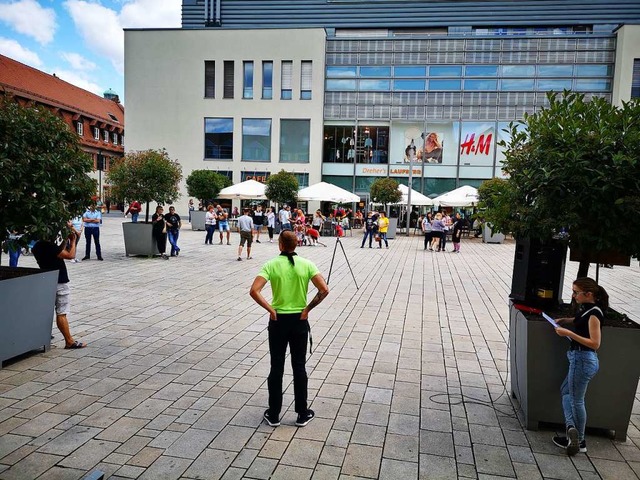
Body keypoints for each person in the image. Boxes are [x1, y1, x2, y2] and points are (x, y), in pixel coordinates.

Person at [250, 230, 329, 428]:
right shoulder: (307, 264)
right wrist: (307, 309)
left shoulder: (271, 264)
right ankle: (302, 413)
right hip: (299, 320)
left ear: (280, 245)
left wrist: (271, 309)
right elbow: (324, 289)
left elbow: (254, 291)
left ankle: (274, 413)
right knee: (299, 366)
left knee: (276, 367)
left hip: (278, 320)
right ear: (297, 244)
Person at [551, 278, 608, 456]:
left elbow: (595, 343)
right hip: (582, 359)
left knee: (576, 399)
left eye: (576, 292)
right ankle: (571, 430)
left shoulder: (593, 314)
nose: (573, 295)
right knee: (566, 391)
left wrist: (567, 333)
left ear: (588, 294)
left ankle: (580, 440)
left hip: (582, 359)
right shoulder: (588, 309)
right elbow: (579, 319)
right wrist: (565, 320)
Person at [32, 228, 86, 349]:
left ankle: (43, 336)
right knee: (62, 312)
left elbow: (58, 251)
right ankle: (69, 341)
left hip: (47, 280)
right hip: (59, 281)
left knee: (46, 311)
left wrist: (66, 240)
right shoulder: (48, 246)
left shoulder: (37, 247)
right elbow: (70, 255)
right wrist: (72, 242)